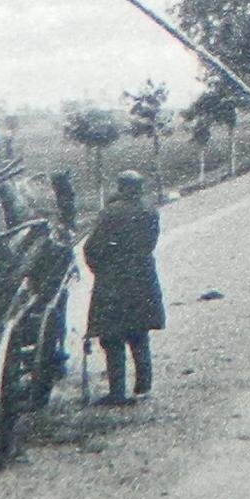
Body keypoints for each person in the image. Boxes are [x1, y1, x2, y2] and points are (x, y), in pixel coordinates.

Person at [83, 170, 166, 404]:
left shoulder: (110, 213)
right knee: (139, 333)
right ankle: (143, 385)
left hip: (114, 280)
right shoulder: (150, 211)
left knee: (112, 337)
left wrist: (98, 269)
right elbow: (150, 243)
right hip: (143, 279)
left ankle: (117, 392)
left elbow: (92, 247)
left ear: (120, 188)